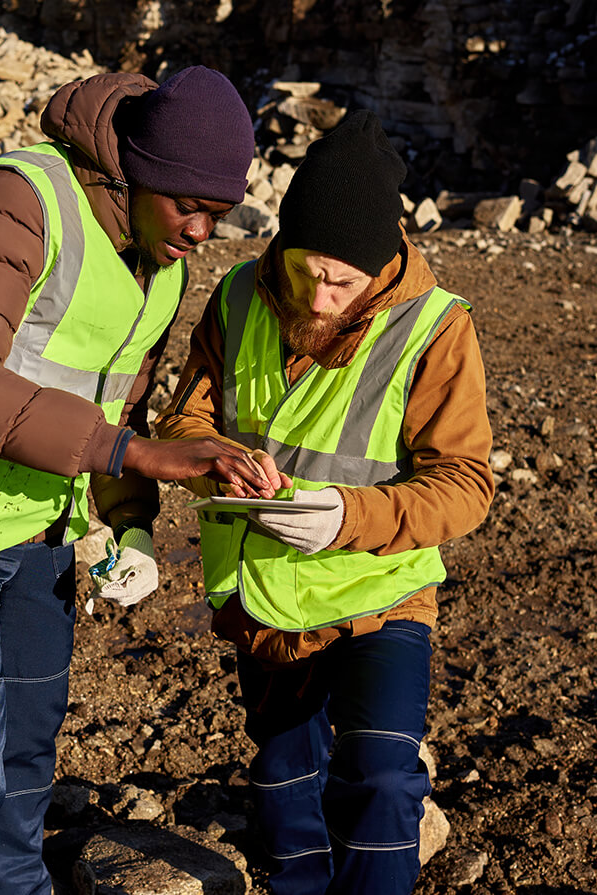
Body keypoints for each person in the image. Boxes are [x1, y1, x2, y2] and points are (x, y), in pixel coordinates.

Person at [0, 66, 276, 894]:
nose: (199, 230)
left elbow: (116, 407)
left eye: (217, 215)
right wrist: (137, 458)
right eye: (186, 204)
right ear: (136, 171)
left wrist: (129, 525)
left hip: (38, 529)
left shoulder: (160, 267)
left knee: (25, 755)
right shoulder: (14, 202)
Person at [154, 110, 495, 895]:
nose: (318, 293)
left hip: (380, 593)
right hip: (263, 595)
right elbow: (184, 419)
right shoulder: (241, 293)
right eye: (306, 268)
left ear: (380, 267)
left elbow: (466, 484)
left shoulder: (435, 329)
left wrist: (349, 515)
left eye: (341, 281)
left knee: (379, 778)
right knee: (282, 785)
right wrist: (221, 462)